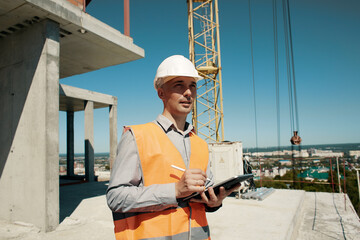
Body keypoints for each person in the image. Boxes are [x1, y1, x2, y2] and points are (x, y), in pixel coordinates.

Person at [106, 55, 239, 240]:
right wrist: (174, 191)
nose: (188, 93)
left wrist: (214, 202)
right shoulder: (137, 137)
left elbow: (200, 200)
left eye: (192, 85)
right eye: (179, 85)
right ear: (161, 93)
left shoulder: (200, 144)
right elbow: (116, 197)